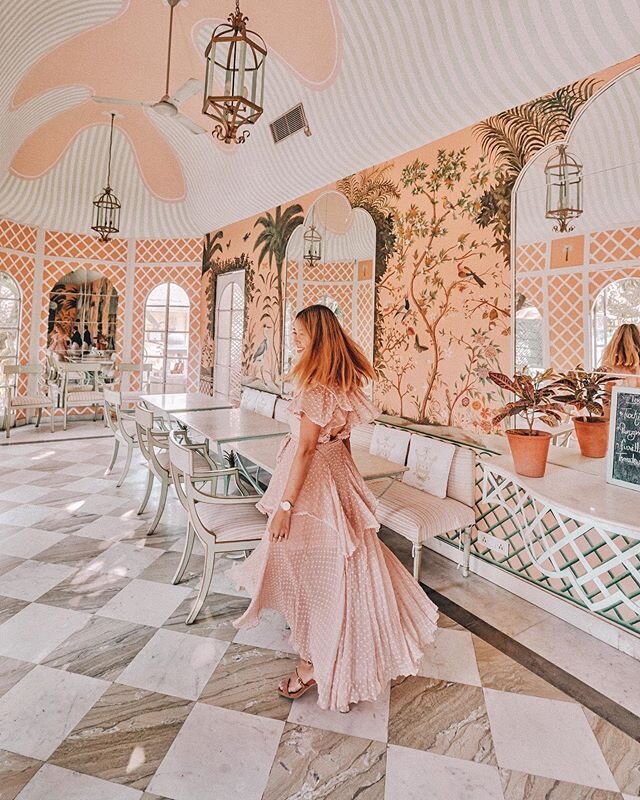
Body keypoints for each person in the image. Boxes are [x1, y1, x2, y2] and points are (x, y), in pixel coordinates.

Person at [230, 305, 438, 713]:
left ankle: (314, 661)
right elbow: (341, 443)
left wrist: (287, 505)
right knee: (342, 569)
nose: (294, 338)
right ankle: (329, 651)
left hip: (311, 483)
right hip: (333, 475)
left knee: (314, 571)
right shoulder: (341, 381)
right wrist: (350, 487)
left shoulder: (313, 387)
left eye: (299, 333)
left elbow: (308, 448)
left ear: (316, 336)